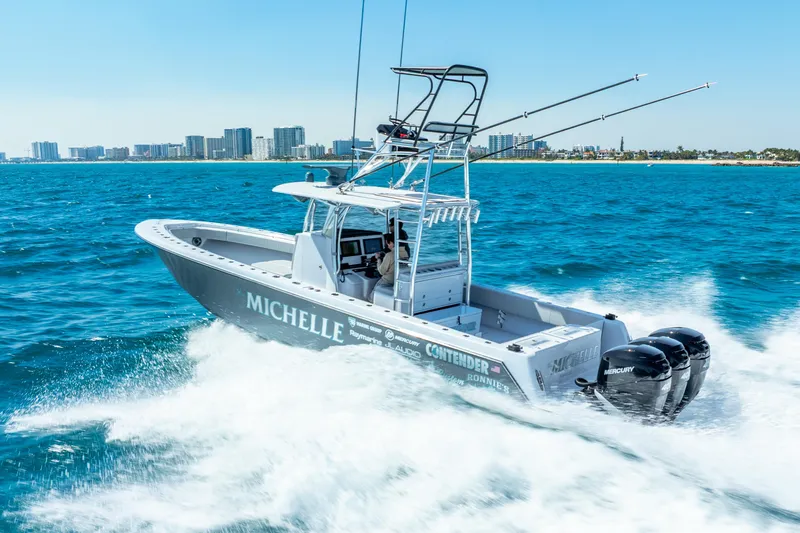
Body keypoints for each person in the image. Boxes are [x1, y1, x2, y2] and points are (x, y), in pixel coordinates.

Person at [370, 232, 409, 302]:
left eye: (387, 243)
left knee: (371, 296)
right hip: (397, 281)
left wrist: (378, 259)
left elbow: (381, 271)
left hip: (387, 281)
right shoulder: (405, 253)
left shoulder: (390, 255)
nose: (387, 246)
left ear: (391, 243)